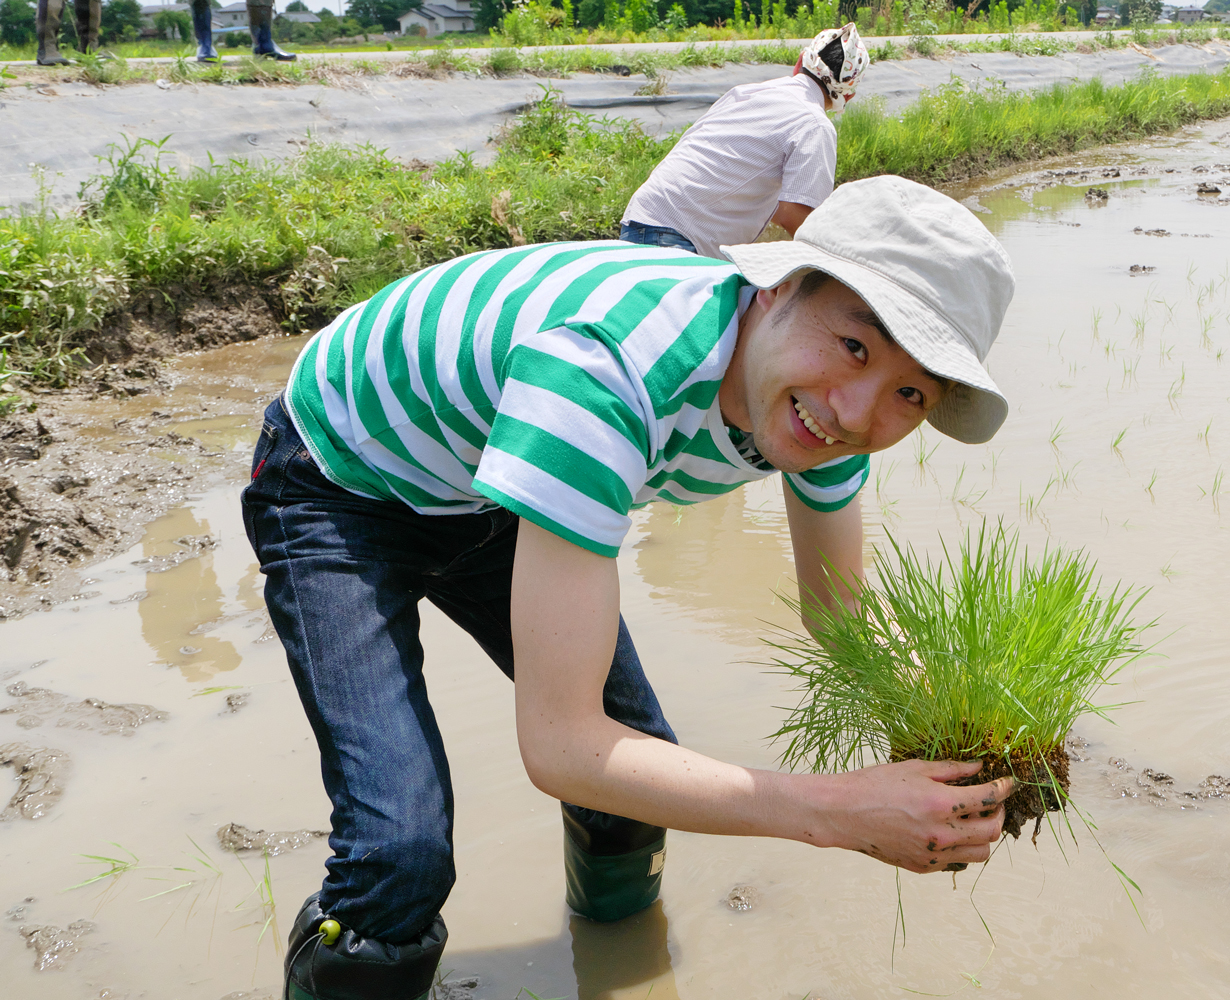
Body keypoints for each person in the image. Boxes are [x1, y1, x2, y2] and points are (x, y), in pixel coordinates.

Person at [244, 174, 1019, 999]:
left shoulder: (824, 414)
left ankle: (618, 968)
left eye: (910, 392)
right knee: (399, 854)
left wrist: (958, 720)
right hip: (338, 476)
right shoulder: (602, 371)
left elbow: (841, 612)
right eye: (854, 346)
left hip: (494, 477)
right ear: (780, 286)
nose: (856, 412)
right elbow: (563, 746)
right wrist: (835, 811)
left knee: (635, 793)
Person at [618, 23, 869, 260]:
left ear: (799, 62)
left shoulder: (748, 91)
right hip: (679, 237)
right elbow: (793, 215)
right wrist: (838, 261)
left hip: (641, 217)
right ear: (849, 94)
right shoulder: (815, 124)